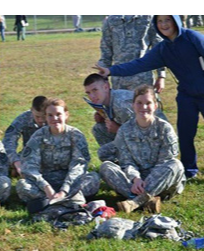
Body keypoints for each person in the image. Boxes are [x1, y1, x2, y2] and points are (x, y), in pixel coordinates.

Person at [95, 15, 204, 179]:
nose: (164, 24)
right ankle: (189, 171)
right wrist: (111, 71)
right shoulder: (162, 49)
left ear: (176, 21)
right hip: (187, 96)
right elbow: (139, 65)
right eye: (160, 21)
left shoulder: (192, 37)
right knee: (186, 133)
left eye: (167, 20)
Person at [100, 85, 186, 214]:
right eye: (139, 103)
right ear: (133, 105)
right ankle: (148, 201)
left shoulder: (164, 128)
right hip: (136, 183)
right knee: (106, 167)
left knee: (176, 165)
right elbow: (126, 161)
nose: (144, 107)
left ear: (155, 106)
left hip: (161, 182)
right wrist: (136, 179)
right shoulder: (125, 130)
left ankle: (136, 202)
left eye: (148, 103)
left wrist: (146, 183)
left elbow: (164, 162)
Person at [16, 98, 100, 218]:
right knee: (22, 185)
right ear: (45, 117)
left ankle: (52, 201)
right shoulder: (38, 136)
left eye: (58, 114)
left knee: (93, 179)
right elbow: (29, 166)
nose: (55, 118)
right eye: (50, 115)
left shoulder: (75, 135)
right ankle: (69, 201)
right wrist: (46, 187)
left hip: (70, 181)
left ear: (66, 115)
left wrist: (64, 190)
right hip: (46, 182)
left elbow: (78, 166)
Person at [83, 73, 167, 162]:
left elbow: (142, 131)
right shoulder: (108, 100)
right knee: (99, 129)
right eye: (88, 93)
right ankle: (123, 163)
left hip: (156, 139)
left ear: (106, 87)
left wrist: (118, 129)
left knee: (104, 152)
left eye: (95, 90)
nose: (92, 96)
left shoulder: (122, 104)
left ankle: (133, 165)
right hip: (138, 135)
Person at [98, 15, 166, 91]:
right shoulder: (111, 20)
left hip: (143, 78)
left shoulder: (148, 17)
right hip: (119, 80)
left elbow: (158, 48)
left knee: (145, 102)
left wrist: (161, 76)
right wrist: (102, 79)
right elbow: (106, 51)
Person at [3, 95, 47, 177]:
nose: (41, 120)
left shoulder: (53, 118)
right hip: (28, 154)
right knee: (1, 160)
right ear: (31, 110)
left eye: (43, 116)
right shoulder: (23, 119)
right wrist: (15, 161)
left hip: (49, 155)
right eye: (37, 116)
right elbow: (8, 141)